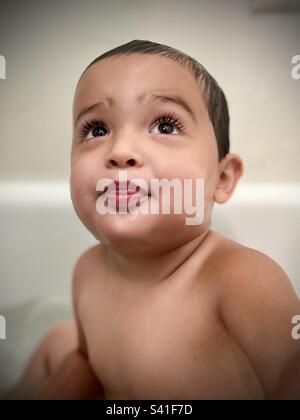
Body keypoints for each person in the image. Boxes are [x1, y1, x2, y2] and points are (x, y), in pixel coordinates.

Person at [6, 39, 300, 400]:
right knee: (58, 342)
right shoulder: (88, 271)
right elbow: (86, 361)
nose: (121, 151)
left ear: (221, 180)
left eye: (164, 125)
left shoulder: (242, 281)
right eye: (97, 129)